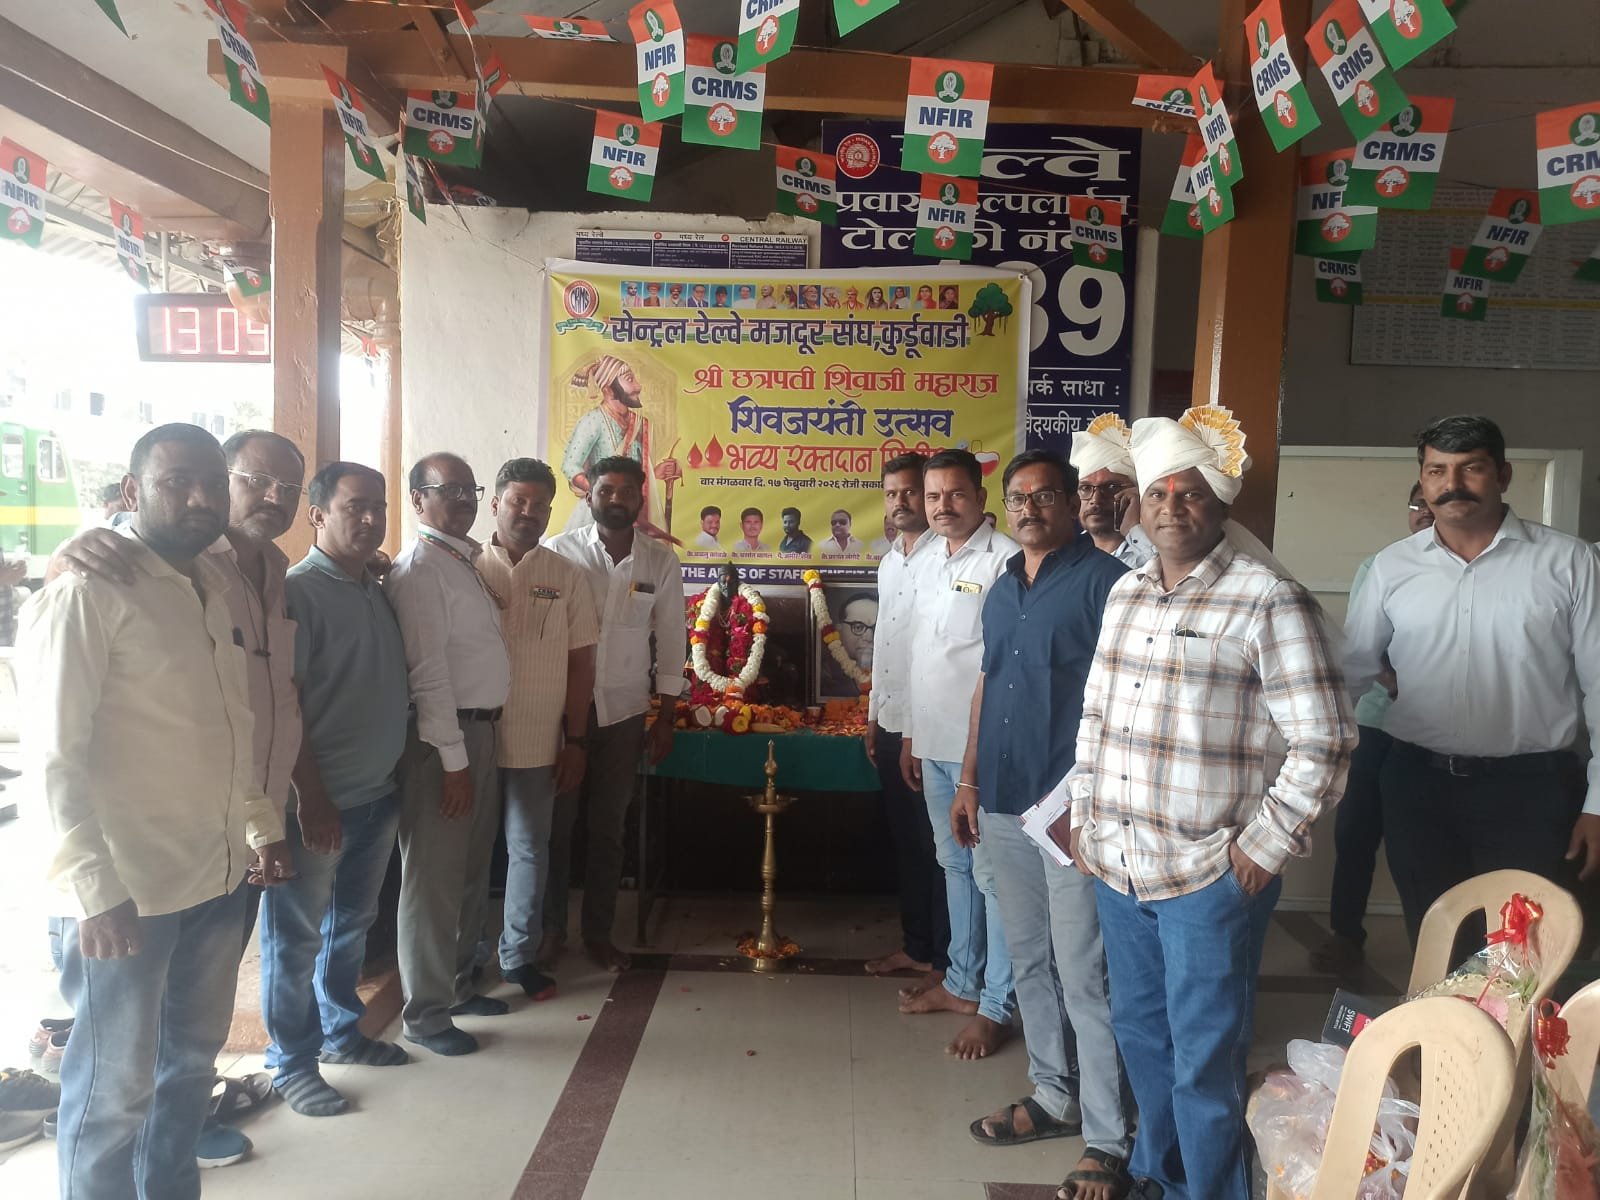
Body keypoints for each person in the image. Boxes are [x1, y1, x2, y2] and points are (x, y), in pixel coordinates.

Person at [1064, 407, 1354, 1200]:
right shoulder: (1126, 595)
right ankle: (1159, 1175)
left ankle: (1210, 1190)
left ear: (1220, 503)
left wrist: (1263, 847)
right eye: (1157, 493)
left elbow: (1326, 739)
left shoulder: (1267, 599)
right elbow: (1096, 717)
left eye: (1189, 493)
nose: (1170, 508)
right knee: (1140, 1035)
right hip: (1120, 867)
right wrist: (1084, 816)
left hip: (1207, 874)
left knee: (1204, 1055)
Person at [20, 423, 294, 1199]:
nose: (201, 497)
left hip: (214, 876)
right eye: (178, 481)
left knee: (189, 1070)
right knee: (113, 1092)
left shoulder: (211, 586)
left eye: (212, 481)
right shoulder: (87, 590)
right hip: (127, 894)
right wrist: (92, 889)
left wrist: (260, 826)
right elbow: (53, 756)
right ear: (133, 491)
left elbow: (230, 727)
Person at [1345, 415, 1600, 945]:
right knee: (1435, 941)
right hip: (1418, 785)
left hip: (1530, 791)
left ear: (1503, 475)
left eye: (1471, 468)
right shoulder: (1392, 567)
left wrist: (1598, 804)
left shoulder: (1569, 562)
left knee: (1519, 952)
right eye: (1437, 470)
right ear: (1423, 479)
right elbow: (1352, 673)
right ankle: (1442, 1007)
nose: (1452, 484)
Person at [958, 450, 1133, 1199]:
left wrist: (1095, 799)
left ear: (1072, 504)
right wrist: (968, 779)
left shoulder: (1108, 582)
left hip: (1070, 812)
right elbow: (989, 682)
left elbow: (1128, 697)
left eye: (1045, 496)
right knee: (1028, 959)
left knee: (1083, 973)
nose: (1030, 509)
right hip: (1002, 799)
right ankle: (1054, 1095)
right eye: (1018, 498)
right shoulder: (1002, 588)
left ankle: (1107, 1135)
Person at [260, 462, 412, 1118]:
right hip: (318, 803)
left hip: (376, 792)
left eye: (379, 505)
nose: (371, 518)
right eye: (356, 506)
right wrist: (311, 797)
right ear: (317, 514)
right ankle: (290, 1063)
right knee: (293, 938)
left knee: (350, 923)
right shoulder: (300, 592)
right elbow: (285, 702)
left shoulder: (374, 586)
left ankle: (340, 1032)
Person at [386, 453, 513, 1057]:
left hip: (479, 734)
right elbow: (429, 675)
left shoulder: (460, 561)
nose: (463, 499)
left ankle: (459, 985)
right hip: (444, 743)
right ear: (418, 499)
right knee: (433, 881)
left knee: (469, 871)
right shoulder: (419, 570)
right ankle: (425, 1015)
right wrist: (455, 762)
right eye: (448, 489)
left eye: (469, 489)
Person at [900, 448, 1020, 1060]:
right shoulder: (926, 558)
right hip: (933, 742)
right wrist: (911, 736)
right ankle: (962, 983)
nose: (942, 506)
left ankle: (998, 1004)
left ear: (980, 496)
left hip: (983, 753)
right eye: (932, 496)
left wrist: (973, 764)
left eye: (955, 494)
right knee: (954, 866)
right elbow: (921, 653)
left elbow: (1000, 668)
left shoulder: (1006, 561)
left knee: (993, 877)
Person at [546, 457, 685, 972]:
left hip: (625, 713)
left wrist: (665, 716)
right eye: (607, 490)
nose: (617, 499)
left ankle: (598, 934)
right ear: (590, 496)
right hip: (562, 712)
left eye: (628, 491)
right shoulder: (558, 552)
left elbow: (671, 637)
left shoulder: (659, 561)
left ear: (641, 499)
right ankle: (549, 932)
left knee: (609, 828)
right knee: (556, 827)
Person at [478, 459, 600, 995]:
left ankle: (517, 957)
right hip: (473, 740)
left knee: (530, 849)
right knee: (469, 856)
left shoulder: (566, 575)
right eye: (517, 501)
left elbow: (582, 665)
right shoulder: (465, 566)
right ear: (495, 504)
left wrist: (575, 740)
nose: (528, 513)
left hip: (538, 740)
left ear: (551, 512)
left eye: (539, 505)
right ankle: (465, 961)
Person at [1310, 484, 1433, 976]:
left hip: (1430, 733)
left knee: (1421, 844)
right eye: (1417, 505)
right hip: (1375, 723)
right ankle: (1346, 935)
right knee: (1355, 833)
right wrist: (1393, 681)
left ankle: (1434, 949)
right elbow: (1360, 644)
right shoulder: (1383, 566)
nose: (1425, 513)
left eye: (1432, 505)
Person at [863, 453, 948, 984]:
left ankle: (946, 960)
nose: (900, 502)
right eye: (892, 493)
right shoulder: (890, 561)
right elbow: (885, 646)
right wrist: (875, 714)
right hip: (892, 720)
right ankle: (917, 946)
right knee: (907, 843)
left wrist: (913, 733)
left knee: (937, 847)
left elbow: (932, 654)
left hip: (930, 728)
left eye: (910, 492)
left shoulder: (946, 558)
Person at [559, 354, 682, 530]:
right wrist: (603, 494)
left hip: (632, 510)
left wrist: (655, 472)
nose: (638, 386)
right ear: (608, 389)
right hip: (598, 513)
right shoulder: (593, 421)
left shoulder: (642, 424)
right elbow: (571, 466)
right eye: (630, 380)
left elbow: (639, 474)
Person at [1069, 416, 1153, 568]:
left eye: (1111, 487)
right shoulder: (1065, 553)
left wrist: (1133, 530)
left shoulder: (1151, 553)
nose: (1096, 499)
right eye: (1086, 488)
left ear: (1135, 493)